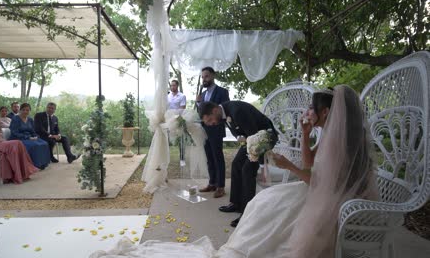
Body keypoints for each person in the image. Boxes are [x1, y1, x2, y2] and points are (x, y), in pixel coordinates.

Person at [90, 85, 379, 258]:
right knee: (260, 199)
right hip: (314, 187)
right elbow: (311, 163)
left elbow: (317, 179)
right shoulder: (327, 133)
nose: (308, 113)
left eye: (312, 111)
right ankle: (240, 207)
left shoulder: (343, 142)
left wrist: (284, 163)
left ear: (327, 113)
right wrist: (305, 134)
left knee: (264, 200)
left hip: (328, 198)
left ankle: (244, 216)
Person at [199, 100, 278, 227]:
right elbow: (241, 133)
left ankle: (247, 212)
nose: (211, 124)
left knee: (247, 169)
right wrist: (239, 138)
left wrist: (262, 165)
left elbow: (255, 138)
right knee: (236, 164)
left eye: (209, 120)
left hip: (265, 138)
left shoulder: (237, 111)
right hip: (251, 139)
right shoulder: (224, 113)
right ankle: (235, 203)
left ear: (214, 111)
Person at [196, 67, 230, 198]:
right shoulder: (203, 94)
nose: (204, 79)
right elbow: (202, 114)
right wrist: (199, 102)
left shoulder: (222, 91)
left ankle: (221, 186)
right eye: (203, 77)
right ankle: (212, 183)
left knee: (218, 158)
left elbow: (224, 111)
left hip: (216, 130)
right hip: (205, 130)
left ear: (213, 76)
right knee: (209, 159)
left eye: (206, 76)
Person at [9, 103, 50, 170]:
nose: (25, 111)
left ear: (29, 111)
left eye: (27, 110)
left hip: (30, 137)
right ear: (20, 110)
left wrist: (36, 136)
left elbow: (33, 131)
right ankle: (32, 165)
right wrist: (28, 137)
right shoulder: (15, 119)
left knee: (44, 143)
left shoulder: (30, 119)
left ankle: (41, 163)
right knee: (34, 145)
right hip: (18, 138)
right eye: (23, 110)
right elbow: (14, 132)